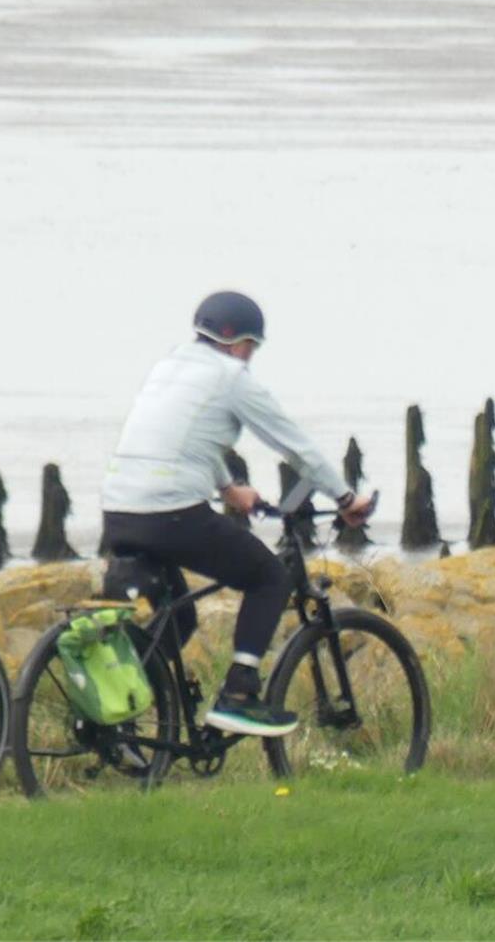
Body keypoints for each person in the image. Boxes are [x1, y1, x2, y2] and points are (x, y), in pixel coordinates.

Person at [100, 291, 374, 736]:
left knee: (180, 618)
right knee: (269, 576)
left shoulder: (169, 366)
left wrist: (228, 488)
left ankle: (120, 713)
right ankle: (239, 693)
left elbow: (187, 437)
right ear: (239, 342)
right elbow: (294, 445)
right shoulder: (230, 377)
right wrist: (346, 499)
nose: (250, 359)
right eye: (252, 349)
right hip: (169, 514)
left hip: (119, 511)